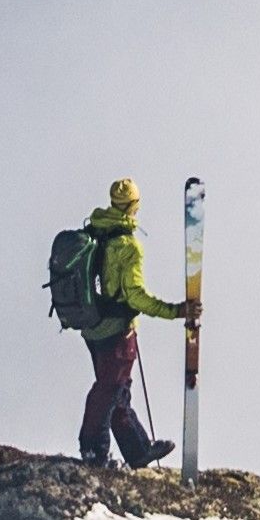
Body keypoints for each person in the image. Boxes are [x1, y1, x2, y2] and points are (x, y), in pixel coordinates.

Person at [51, 175, 196, 473]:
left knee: (117, 390)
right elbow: (135, 296)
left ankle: (138, 450)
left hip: (91, 327)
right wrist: (175, 311)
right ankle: (93, 451)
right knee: (109, 389)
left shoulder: (95, 229)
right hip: (116, 330)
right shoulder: (128, 246)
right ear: (134, 206)